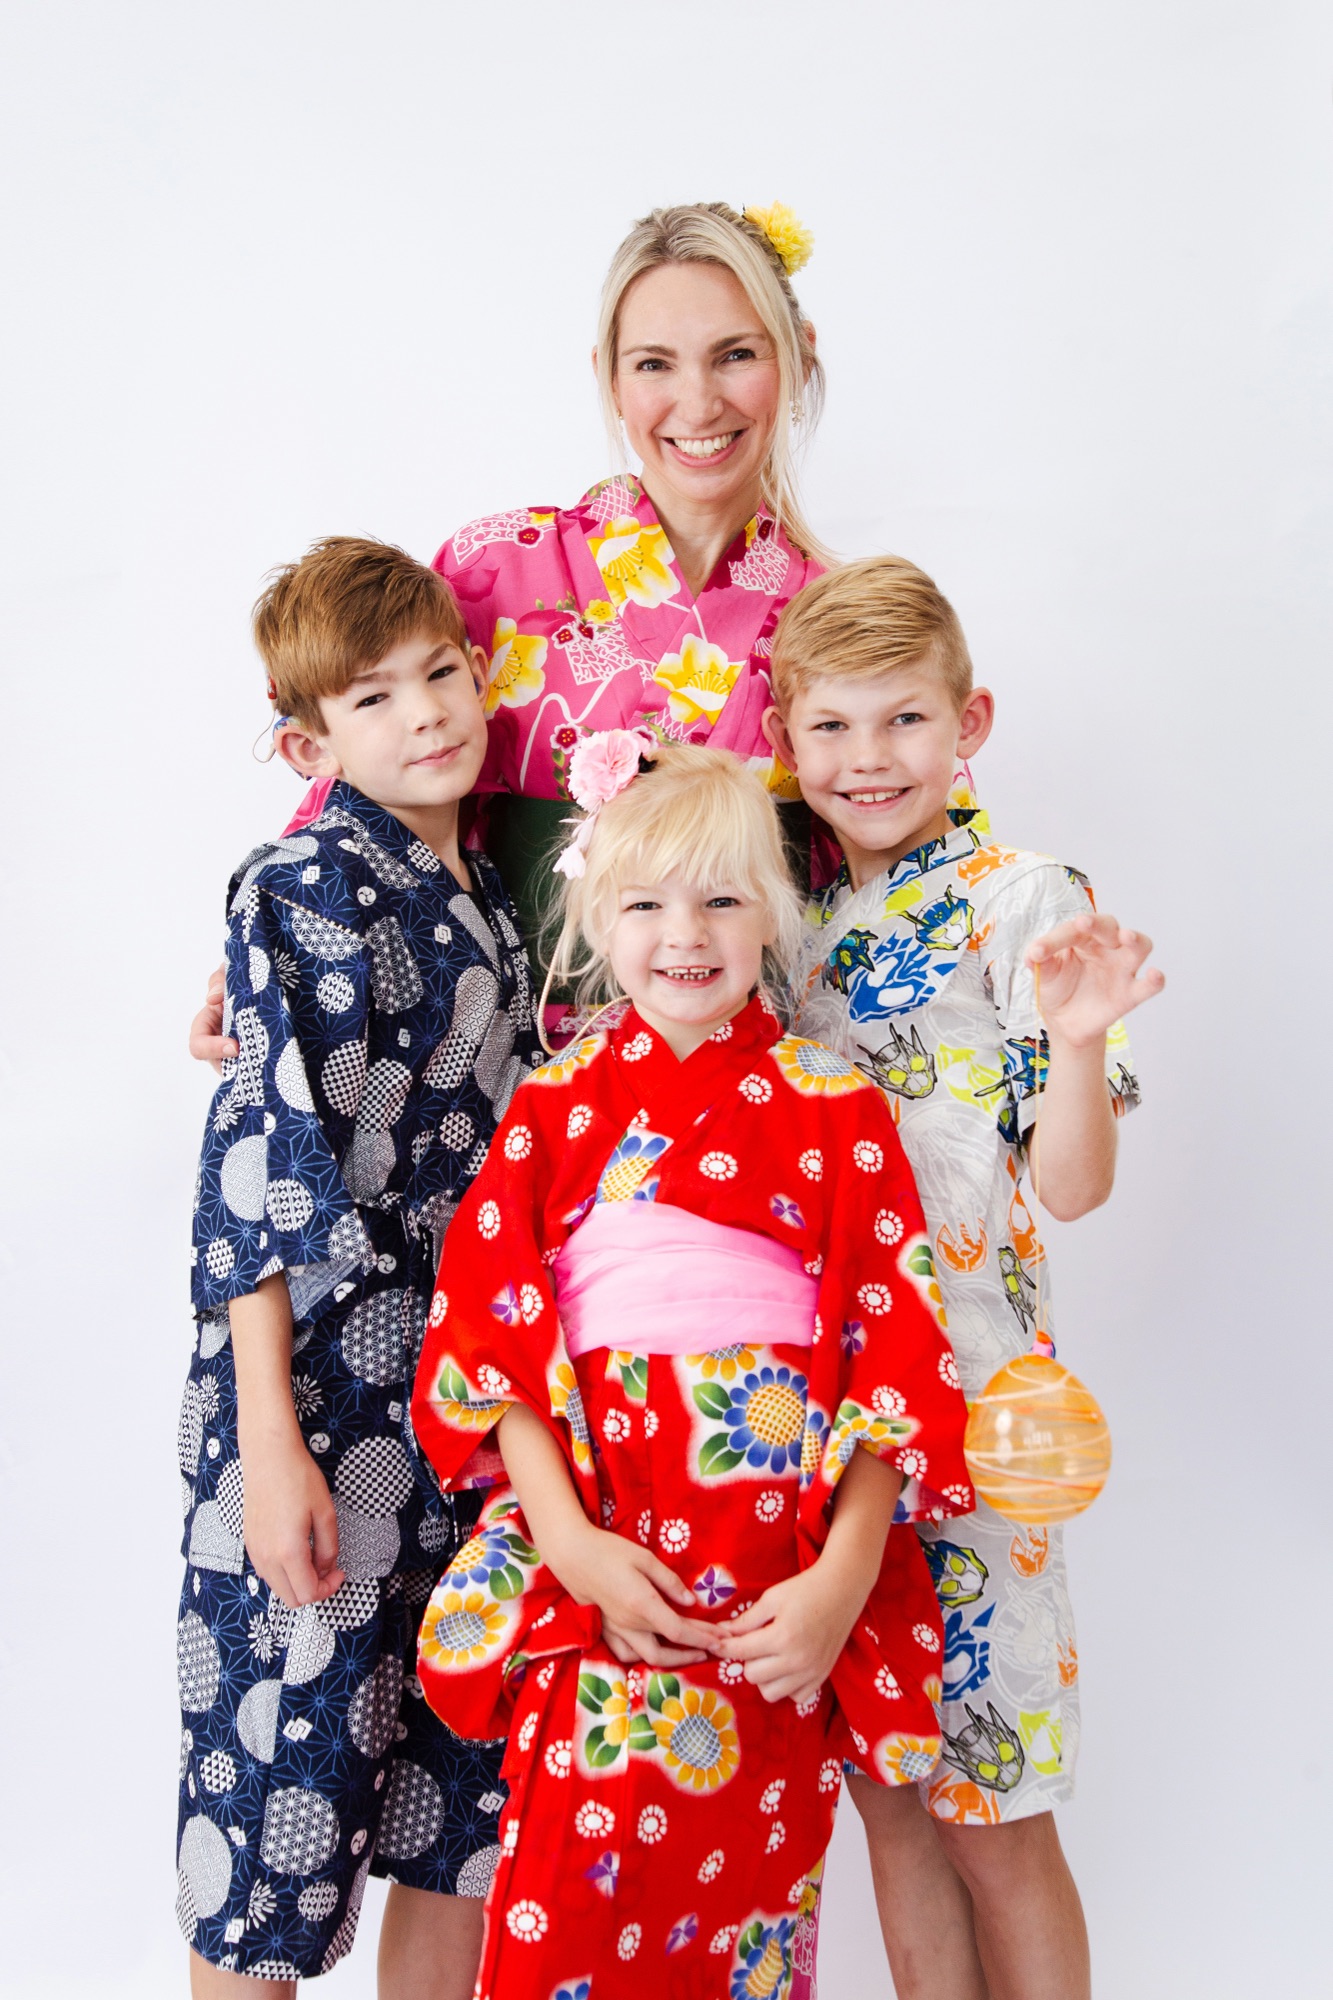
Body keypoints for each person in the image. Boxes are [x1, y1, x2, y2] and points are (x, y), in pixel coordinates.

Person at [408, 737, 975, 2000]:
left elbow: (892, 1348)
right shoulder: (555, 1105)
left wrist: (840, 1580)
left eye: (723, 897)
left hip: (776, 1582)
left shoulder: (836, 1102)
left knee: (748, 1916)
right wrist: (566, 1542)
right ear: (593, 914)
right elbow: (489, 1346)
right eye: (647, 901)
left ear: (772, 911)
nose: (687, 933)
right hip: (606, 1561)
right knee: (564, 1896)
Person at [763, 557, 1164, 2000]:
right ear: (786, 734)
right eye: (833, 729)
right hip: (823, 1419)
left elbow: (1069, 1185)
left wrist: (1073, 1039)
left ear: (967, 721)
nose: (868, 761)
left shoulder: (1025, 896)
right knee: (887, 1794)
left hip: (979, 1416)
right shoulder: (783, 917)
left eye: (904, 722)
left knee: (995, 1809)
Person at [189, 199, 833, 1066]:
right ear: (609, 377)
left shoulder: (833, 615)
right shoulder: (498, 569)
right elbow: (366, 784)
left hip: (753, 1079)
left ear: (796, 360)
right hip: (503, 1074)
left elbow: (906, 840)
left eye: (737, 355)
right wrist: (274, 954)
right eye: (653, 363)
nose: (696, 401)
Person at [176, 539, 541, 1997]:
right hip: (319, 1389)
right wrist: (271, 1444)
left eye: (441, 674)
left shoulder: (502, 892)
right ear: (307, 743)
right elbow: (256, 1169)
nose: (426, 716)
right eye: (373, 699)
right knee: (274, 1823)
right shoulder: (302, 883)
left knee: (457, 1819)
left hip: (470, 1397)